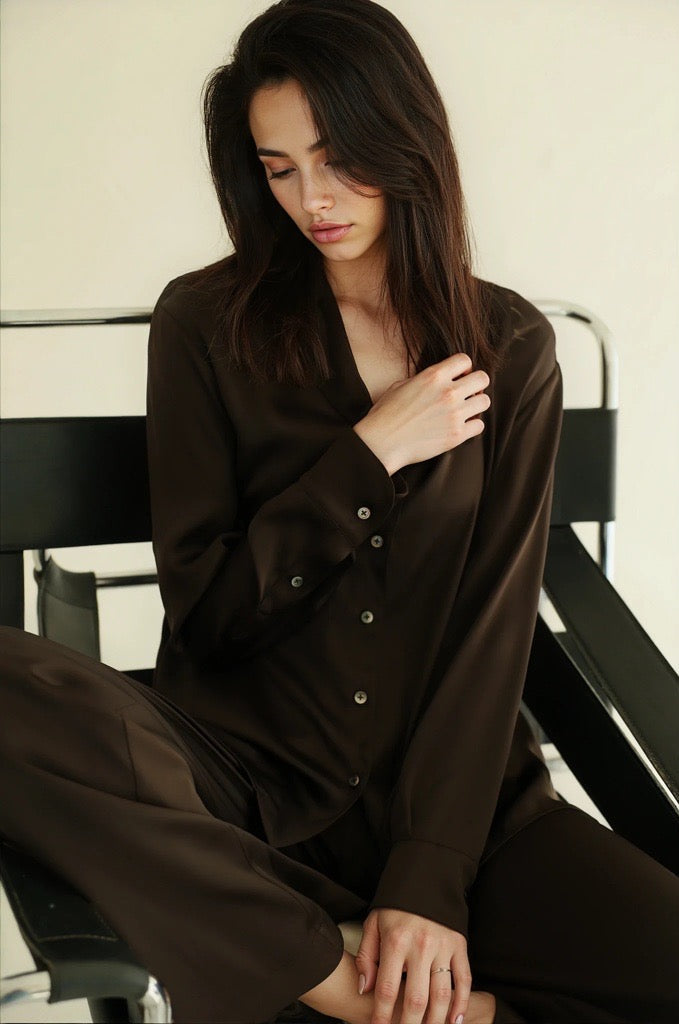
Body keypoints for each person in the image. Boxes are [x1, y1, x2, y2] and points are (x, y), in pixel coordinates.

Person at [1, 2, 678, 1023]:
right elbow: (208, 615)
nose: (312, 198)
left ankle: (407, 999)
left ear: (402, 139)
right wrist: (366, 457)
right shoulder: (204, 324)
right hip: (240, 779)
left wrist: (427, 875)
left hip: (455, 802)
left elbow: (490, 634)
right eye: (278, 168)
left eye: (336, 157)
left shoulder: (509, 349)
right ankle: (325, 974)